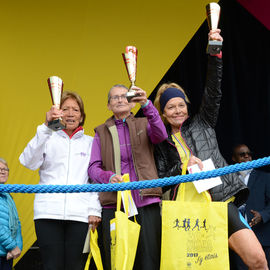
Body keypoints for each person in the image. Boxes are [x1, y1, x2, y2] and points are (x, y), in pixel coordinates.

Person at [153, 29, 268, 270]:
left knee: (257, 261)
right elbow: (161, 181)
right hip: (187, 216)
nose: (177, 110)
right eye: (170, 107)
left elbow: (213, 90)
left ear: (187, 106)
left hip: (220, 204)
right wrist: (183, 167)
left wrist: (215, 52)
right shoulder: (161, 143)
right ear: (162, 113)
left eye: (181, 105)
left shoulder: (202, 122)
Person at [19, 91, 102, 270]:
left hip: (80, 215)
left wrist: (94, 209)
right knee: (51, 266)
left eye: (76, 109)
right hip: (47, 213)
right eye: (65, 109)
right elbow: (27, 162)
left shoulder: (91, 142)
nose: (71, 113)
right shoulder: (47, 137)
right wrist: (46, 127)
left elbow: (95, 179)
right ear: (58, 114)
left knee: (76, 266)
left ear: (82, 116)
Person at [88, 84, 167, 270]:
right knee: (118, 262)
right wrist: (108, 177)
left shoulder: (144, 123)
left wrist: (147, 104)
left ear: (132, 103)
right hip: (114, 204)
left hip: (145, 200)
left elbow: (161, 135)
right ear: (108, 105)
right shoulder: (101, 132)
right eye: (115, 97)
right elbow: (93, 168)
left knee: (149, 260)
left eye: (124, 96)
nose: (120, 100)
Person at [231, 144, 270, 269]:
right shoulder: (229, 180)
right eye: (242, 154)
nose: (247, 156)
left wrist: (262, 215)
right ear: (234, 158)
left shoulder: (265, 177)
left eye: (249, 153)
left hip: (262, 236)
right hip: (238, 239)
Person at [0, 157, 23, 270]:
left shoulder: (8, 195)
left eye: (5, 169)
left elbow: (16, 223)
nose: (2, 171)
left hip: (7, 255)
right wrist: (13, 246)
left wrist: (18, 247)